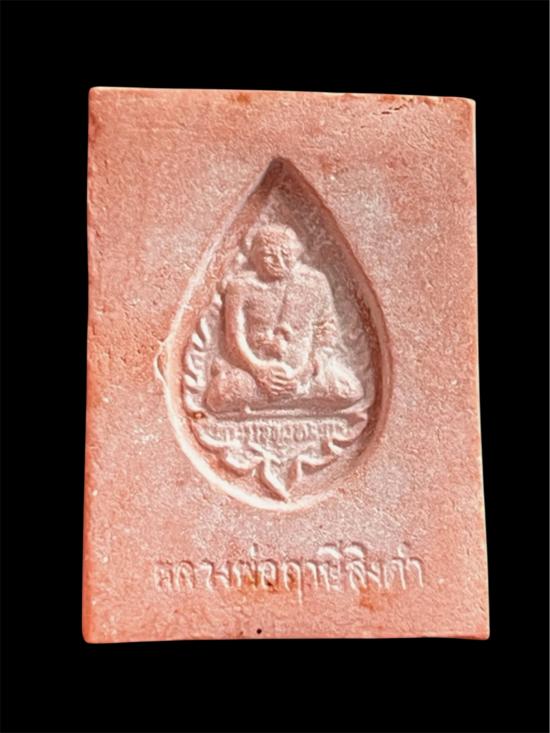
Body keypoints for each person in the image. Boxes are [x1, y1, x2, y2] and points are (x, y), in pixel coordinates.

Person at [205, 224, 363, 413]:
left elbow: (327, 331)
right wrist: (258, 369)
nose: (278, 261)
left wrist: (304, 373)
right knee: (219, 395)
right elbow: (234, 337)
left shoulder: (315, 282)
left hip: (305, 375)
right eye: (269, 255)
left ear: (296, 253)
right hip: (254, 374)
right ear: (255, 256)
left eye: (285, 254)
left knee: (350, 390)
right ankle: (287, 399)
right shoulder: (241, 286)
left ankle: (280, 398)